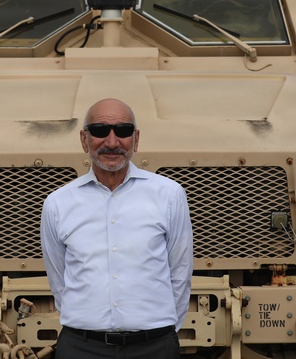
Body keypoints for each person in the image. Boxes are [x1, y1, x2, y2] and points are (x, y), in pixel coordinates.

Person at [40, 98, 193, 358]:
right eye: (100, 131)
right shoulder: (58, 203)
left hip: (154, 347)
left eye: (123, 131)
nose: (112, 142)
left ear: (136, 139)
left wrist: (162, 331)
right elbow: (59, 280)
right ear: (84, 139)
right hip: (81, 348)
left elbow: (180, 272)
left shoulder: (168, 195)